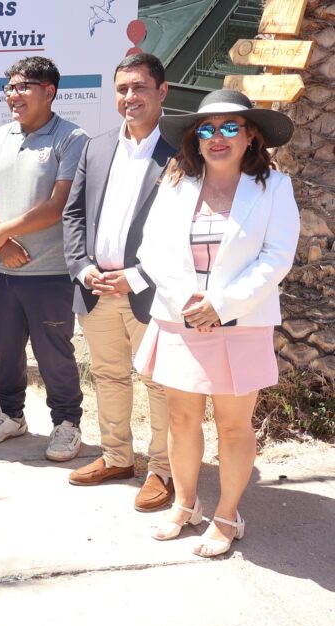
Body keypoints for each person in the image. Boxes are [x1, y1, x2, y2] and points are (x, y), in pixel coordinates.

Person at [137, 89, 298, 557]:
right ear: (195, 138)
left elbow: (276, 257)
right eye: (206, 129)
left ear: (251, 136)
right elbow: (151, 249)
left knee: (233, 426)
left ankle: (227, 515)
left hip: (241, 323)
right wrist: (188, 300)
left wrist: (221, 304)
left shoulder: (275, 187)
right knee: (183, 419)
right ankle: (186, 504)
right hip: (180, 318)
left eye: (230, 127)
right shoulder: (176, 182)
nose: (217, 137)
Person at [62, 53, 176, 511]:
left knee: (160, 383)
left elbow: (184, 230)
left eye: (139, 88)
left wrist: (137, 276)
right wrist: (81, 267)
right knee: (109, 376)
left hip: (150, 291)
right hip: (96, 287)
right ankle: (116, 456)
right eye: (122, 89)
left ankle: (163, 469)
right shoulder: (97, 145)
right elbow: (74, 214)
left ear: (161, 92)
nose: (130, 97)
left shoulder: (181, 151)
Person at [0, 56, 88, 460]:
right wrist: (0, 242)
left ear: (49, 91)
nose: (13, 95)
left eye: (23, 87)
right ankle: (10, 414)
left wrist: (6, 230)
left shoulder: (72, 139)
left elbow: (59, 203)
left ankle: (67, 422)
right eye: (10, 88)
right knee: (4, 348)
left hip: (51, 273)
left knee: (54, 351)